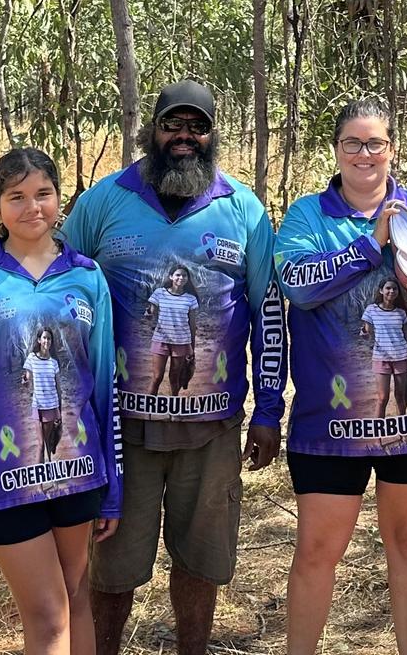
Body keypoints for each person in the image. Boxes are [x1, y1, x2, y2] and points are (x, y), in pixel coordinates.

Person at [62, 80, 288, 655]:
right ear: (151, 131)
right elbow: (58, 286)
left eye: (197, 126)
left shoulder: (243, 210)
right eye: (172, 124)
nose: (184, 136)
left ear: (212, 135)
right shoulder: (104, 201)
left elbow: (268, 311)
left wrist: (268, 409)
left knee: (202, 563)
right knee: (112, 568)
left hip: (212, 430)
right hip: (119, 430)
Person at [276, 99, 407, 655]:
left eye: (376, 143)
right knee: (318, 549)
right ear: (336, 150)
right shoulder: (306, 218)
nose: (364, 154)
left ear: (392, 149)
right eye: (352, 144)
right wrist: (373, 244)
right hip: (331, 425)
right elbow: (298, 284)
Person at [0, 147, 122, 655]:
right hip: (3, 477)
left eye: (43, 194)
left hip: (78, 472)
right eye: (16, 197)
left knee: (76, 600)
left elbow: (104, 388)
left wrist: (113, 488)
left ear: (61, 200)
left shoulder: (87, 277)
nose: (32, 207)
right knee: (47, 614)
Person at [360, 277, 407, 420]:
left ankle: (403, 431)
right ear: (381, 290)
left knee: (400, 396)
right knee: (383, 398)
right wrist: (364, 333)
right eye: (388, 288)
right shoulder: (371, 310)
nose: (391, 291)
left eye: (394, 288)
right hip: (381, 358)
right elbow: (366, 335)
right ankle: (379, 436)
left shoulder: (401, 313)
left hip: (401, 357)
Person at [146, 264, 199, 397]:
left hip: (181, 341)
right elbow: (151, 313)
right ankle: (149, 411)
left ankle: (173, 413)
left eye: (184, 275)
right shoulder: (159, 293)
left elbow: (192, 325)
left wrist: (192, 347)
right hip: (161, 339)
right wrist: (148, 313)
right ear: (171, 277)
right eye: (178, 275)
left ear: (187, 278)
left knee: (174, 377)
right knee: (157, 377)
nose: (181, 277)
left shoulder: (190, 299)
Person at [22, 326, 65, 462]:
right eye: (44, 338)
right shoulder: (31, 358)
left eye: (49, 338)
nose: (47, 341)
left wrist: (59, 410)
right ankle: (40, 482)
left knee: (47, 443)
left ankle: (51, 477)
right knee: (40, 444)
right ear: (39, 340)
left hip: (50, 407)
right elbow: (27, 380)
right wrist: (25, 381)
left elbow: (58, 388)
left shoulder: (53, 363)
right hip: (37, 405)